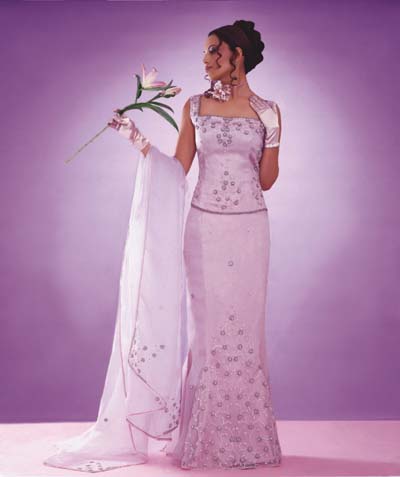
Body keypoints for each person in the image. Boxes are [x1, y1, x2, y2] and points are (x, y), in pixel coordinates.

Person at [43, 19, 282, 472]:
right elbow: (178, 170)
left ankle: (250, 440)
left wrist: (272, 134)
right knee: (207, 335)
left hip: (251, 231)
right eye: (205, 51)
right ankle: (203, 441)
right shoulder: (195, 107)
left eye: (213, 50)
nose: (205, 59)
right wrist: (137, 140)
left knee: (247, 333)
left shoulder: (268, 111)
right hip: (205, 231)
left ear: (237, 55)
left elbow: (266, 180)